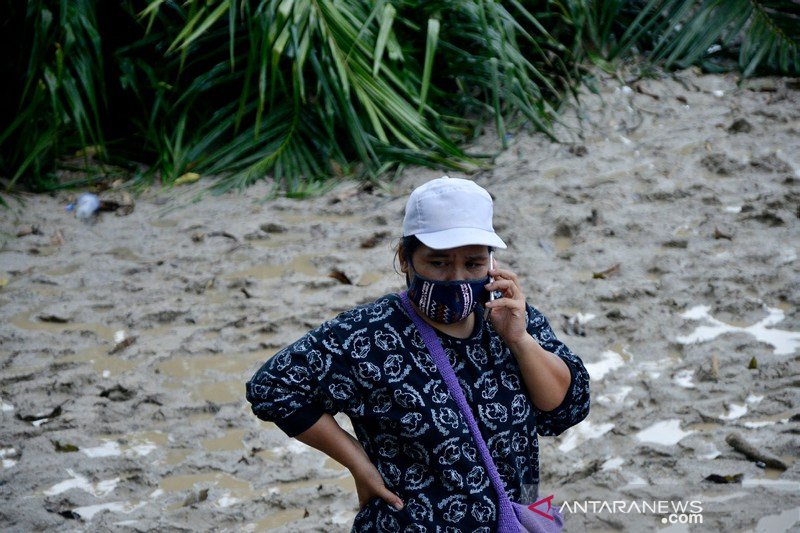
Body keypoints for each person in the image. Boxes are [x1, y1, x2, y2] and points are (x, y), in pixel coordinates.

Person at [246, 176, 591, 531]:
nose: (456, 278)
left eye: (473, 264)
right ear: (405, 259)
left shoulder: (510, 316)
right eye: (438, 263)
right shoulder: (368, 334)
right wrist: (359, 464)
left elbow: (564, 408)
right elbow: (274, 387)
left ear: (492, 262)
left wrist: (520, 340)